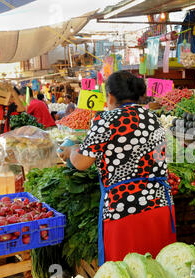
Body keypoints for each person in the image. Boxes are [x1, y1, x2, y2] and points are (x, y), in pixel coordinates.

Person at [59, 70, 176, 265]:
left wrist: (71, 151)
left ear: (110, 96)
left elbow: (81, 163)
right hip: (159, 204)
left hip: (124, 209)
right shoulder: (152, 118)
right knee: (160, 271)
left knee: (128, 275)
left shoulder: (106, 120)